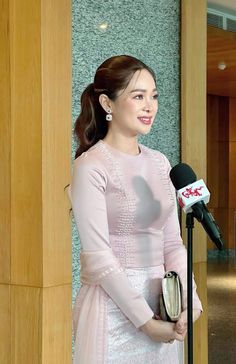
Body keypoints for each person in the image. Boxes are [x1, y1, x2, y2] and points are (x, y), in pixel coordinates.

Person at [69, 55, 202, 364]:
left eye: (154, 96)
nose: (149, 106)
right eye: (138, 96)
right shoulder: (90, 166)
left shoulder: (160, 162)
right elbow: (99, 256)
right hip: (114, 311)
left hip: (163, 300)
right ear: (107, 103)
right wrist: (145, 321)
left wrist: (188, 302)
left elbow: (172, 242)